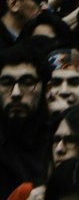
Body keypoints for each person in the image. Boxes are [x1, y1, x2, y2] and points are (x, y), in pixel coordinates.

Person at [0, 45, 48, 196]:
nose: (15, 93)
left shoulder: (59, 139)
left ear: (46, 87)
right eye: (6, 83)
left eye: (27, 82)